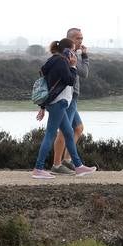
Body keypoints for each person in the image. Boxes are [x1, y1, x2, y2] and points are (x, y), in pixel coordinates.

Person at [31, 38, 97, 179]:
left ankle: (79, 167)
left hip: (57, 102)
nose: (74, 52)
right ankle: (38, 168)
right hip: (58, 103)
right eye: (73, 49)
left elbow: (50, 84)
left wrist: (43, 106)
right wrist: (73, 66)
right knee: (50, 134)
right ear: (66, 50)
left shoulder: (54, 60)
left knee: (68, 133)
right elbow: (69, 80)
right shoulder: (61, 61)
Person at [50, 26, 88, 174]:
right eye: (78, 38)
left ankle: (67, 161)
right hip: (68, 98)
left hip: (72, 97)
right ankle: (57, 165)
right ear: (71, 39)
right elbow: (84, 73)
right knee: (64, 131)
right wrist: (85, 56)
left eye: (82, 38)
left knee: (78, 128)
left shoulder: (69, 53)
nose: (81, 41)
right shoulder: (70, 55)